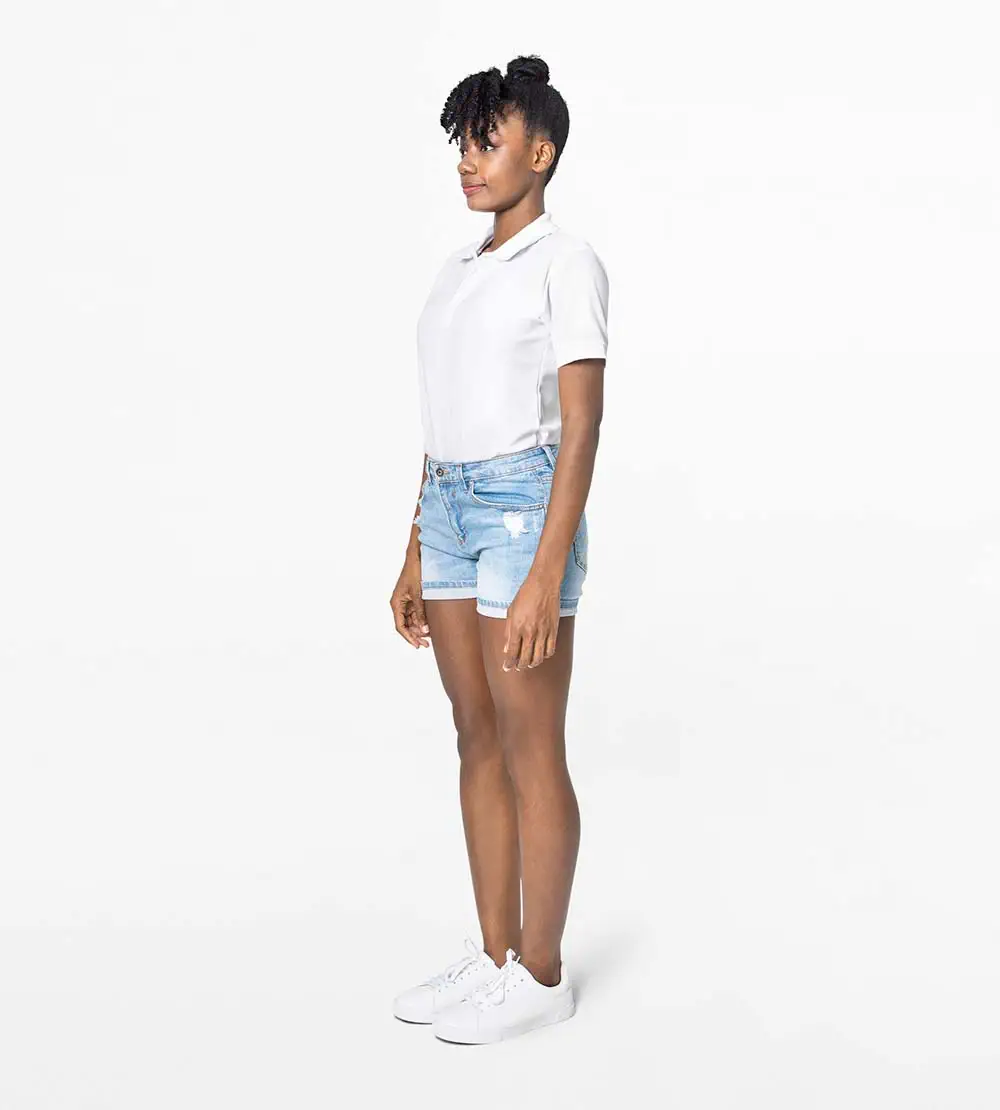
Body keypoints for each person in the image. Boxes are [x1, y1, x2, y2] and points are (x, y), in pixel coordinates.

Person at [388, 53, 610, 1045]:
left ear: (541, 151)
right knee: (474, 733)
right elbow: (442, 414)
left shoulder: (566, 263)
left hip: (523, 510)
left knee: (529, 744)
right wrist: (412, 544)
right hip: (446, 504)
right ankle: (492, 959)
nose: (468, 161)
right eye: (463, 144)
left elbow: (582, 425)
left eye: (489, 142)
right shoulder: (459, 269)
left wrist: (545, 570)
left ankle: (543, 973)